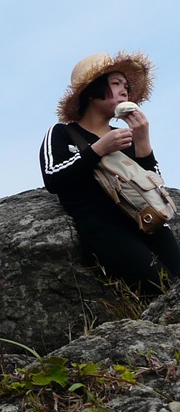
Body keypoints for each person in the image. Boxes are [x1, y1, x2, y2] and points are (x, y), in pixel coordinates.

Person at [40, 51, 180, 291]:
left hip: (148, 222)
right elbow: (53, 177)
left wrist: (143, 140)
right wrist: (98, 149)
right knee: (159, 287)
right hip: (106, 230)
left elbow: (155, 188)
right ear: (92, 91)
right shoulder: (63, 133)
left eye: (126, 86)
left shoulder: (126, 137)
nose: (124, 90)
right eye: (116, 83)